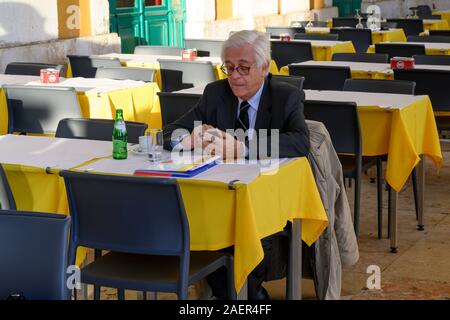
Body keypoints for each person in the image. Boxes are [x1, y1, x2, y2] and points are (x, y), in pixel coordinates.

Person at [163, 30, 310, 299]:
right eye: (228, 68)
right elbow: (169, 132)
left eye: (243, 68)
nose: (234, 76)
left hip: (267, 200)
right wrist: (189, 139)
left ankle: (246, 294)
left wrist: (243, 147)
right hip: (218, 200)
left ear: (265, 67)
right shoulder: (215, 93)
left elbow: (300, 142)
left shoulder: (286, 96)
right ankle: (247, 296)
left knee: (236, 241)